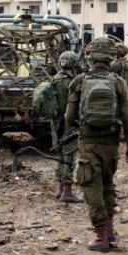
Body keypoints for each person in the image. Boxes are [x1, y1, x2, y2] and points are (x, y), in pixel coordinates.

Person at [64, 37, 128, 253]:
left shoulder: (79, 81)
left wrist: (83, 123)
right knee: (107, 184)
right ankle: (110, 230)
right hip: (112, 143)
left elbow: (69, 117)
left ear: (90, 57)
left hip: (88, 142)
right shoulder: (119, 82)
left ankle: (100, 237)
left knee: (91, 186)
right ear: (110, 58)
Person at [50, 50, 82, 203]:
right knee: (69, 155)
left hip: (56, 123)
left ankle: (61, 189)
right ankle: (67, 191)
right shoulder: (72, 82)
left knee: (61, 155)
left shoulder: (54, 79)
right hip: (69, 123)